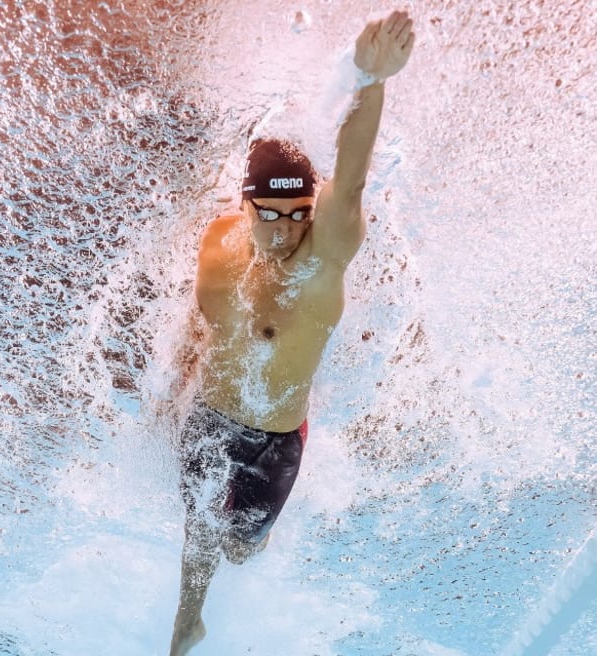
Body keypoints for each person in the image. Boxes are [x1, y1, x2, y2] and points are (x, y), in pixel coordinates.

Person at [168, 10, 416, 656]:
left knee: (240, 548)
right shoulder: (219, 241)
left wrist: (370, 80)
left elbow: (352, 176)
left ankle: (239, 552)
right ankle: (185, 627)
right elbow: (202, 328)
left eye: (297, 216)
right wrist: (170, 387)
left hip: (274, 440)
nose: (282, 232)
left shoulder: (324, 255)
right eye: (268, 216)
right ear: (243, 206)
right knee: (195, 526)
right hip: (209, 415)